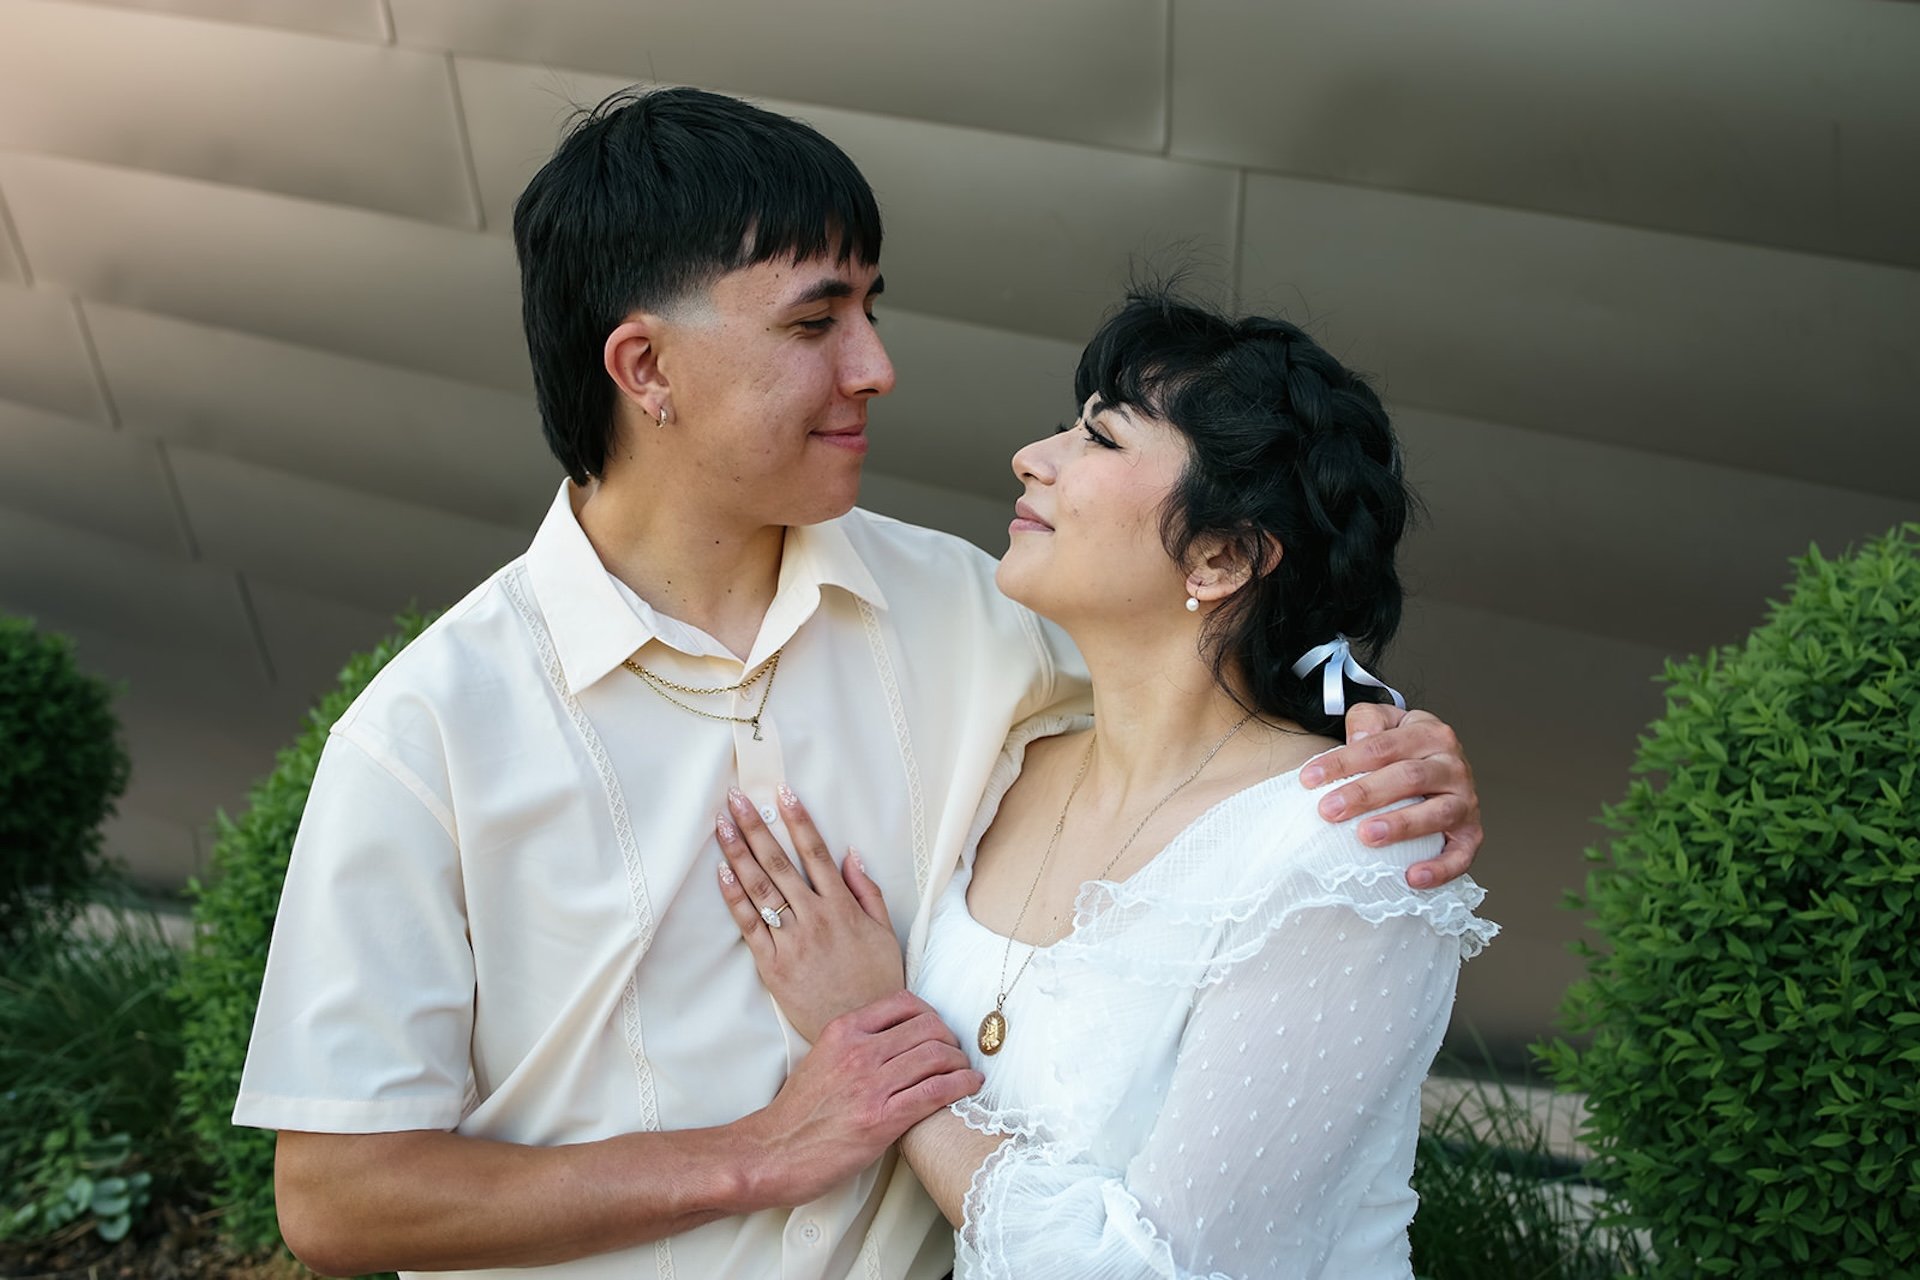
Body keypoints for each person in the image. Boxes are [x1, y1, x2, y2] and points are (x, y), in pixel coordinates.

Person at [233, 89, 1485, 1280]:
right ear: (645, 367)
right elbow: (337, 1196)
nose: (876, 364)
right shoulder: (426, 734)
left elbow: (1208, 677)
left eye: (873, 309)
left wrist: (1376, 722)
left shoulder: (979, 618)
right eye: (813, 321)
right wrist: (750, 1154)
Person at [713, 290, 1496, 1278]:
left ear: (1224, 554)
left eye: (1101, 437)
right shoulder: (1004, 756)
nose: (1034, 455)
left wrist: (872, 1046)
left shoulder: (1343, 848)